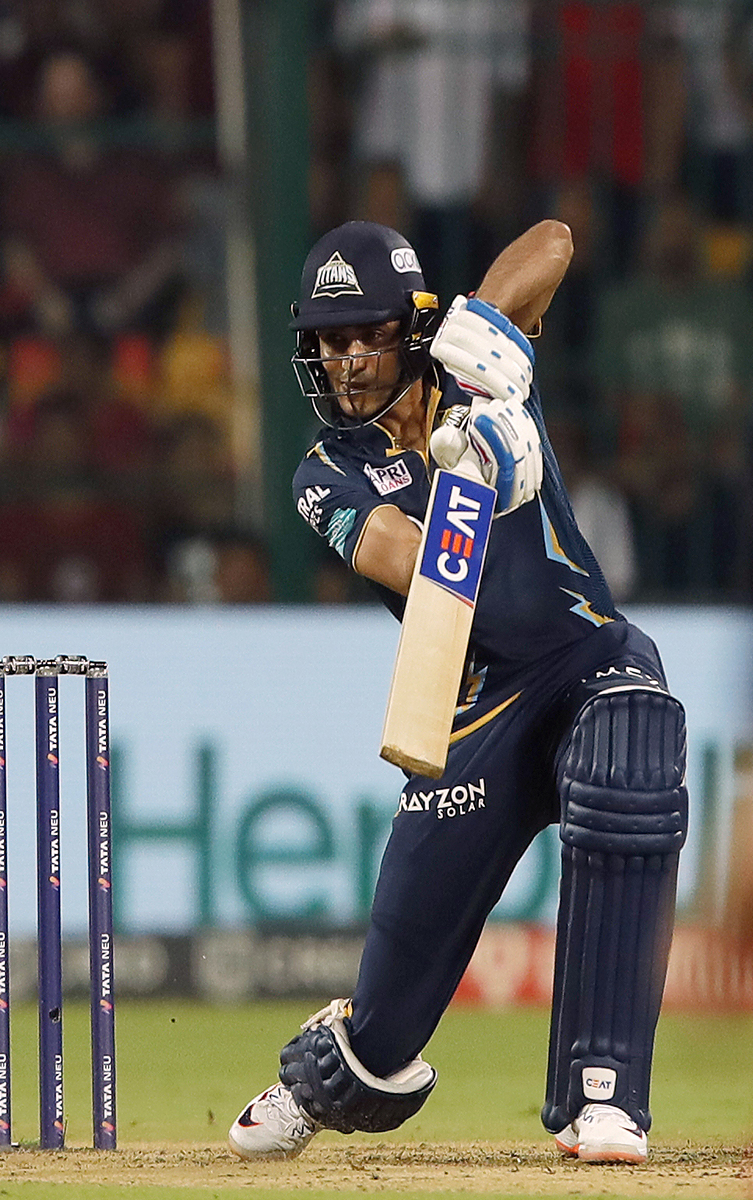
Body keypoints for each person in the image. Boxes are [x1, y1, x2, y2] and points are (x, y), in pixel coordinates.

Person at [226, 220, 688, 1166]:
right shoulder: (328, 471)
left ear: (412, 327)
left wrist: (483, 333)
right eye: (330, 339)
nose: (349, 360)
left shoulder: (473, 373)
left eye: (368, 335)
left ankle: (602, 1098)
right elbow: (406, 560)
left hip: (583, 656)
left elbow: (555, 242)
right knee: (375, 1055)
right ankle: (332, 1065)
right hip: (475, 708)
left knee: (629, 756)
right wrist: (470, 472)